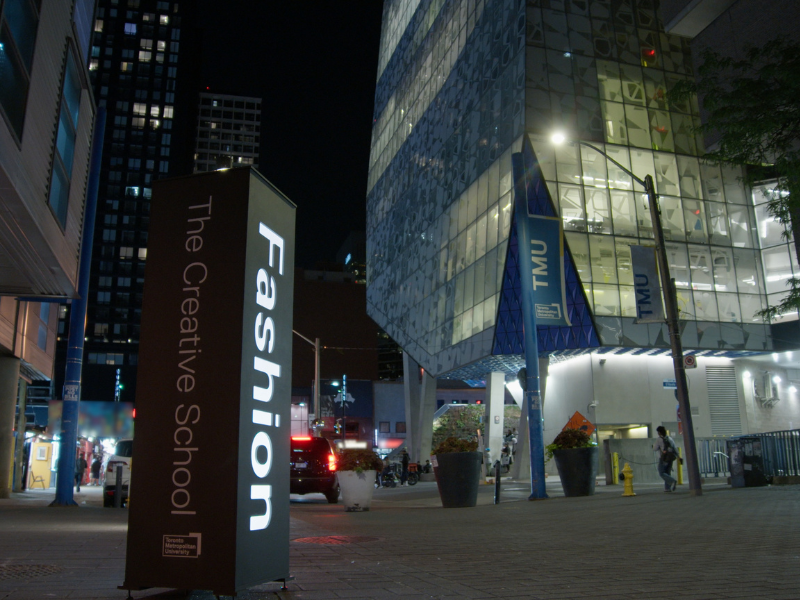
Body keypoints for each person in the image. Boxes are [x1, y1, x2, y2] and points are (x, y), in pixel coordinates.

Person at [654, 426, 678, 492]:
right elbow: (675, 448)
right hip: (670, 458)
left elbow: (655, 448)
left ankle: (672, 481)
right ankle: (667, 488)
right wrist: (678, 456)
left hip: (663, 458)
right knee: (668, 472)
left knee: (661, 472)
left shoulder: (659, 439)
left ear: (659, 432)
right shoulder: (670, 438)